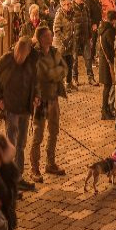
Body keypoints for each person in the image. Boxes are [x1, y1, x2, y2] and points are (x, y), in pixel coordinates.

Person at [0, 37, 37, 191]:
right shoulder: (6, 60)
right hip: (10, 108)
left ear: (28, 53)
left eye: (22, 56)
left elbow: (36, 81)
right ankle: (10, 179)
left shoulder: (32, 62)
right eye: (17, 55)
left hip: (25, 109)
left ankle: (18, 177)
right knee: (11, 144)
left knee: (21, 144)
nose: (19, 59)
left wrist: (37, 96)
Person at [30, 25, 67, 180]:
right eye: (48, 36)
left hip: (53, 98)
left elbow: (64, 69)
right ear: (41, 38)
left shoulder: (54, 52)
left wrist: (52, 74)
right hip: (41, 100)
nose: (51, 38)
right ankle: (34, 168)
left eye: (51, 35)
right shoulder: (35, 55)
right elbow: (36, 77)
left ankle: (50, 163)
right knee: (38, 134)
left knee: (54, 131)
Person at [96, 10, 116, 120]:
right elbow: (113, 46)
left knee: (107, 86)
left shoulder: (103, 29)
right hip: (108, 62)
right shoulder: (109, 31)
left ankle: (106, 110)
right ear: (114, 19)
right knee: (108, 86)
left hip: (104, 62)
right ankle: (105, 111)